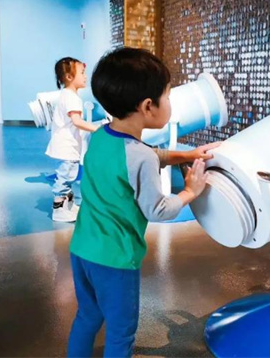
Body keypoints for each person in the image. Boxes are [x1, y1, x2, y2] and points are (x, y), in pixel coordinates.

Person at [67, 47, 219, 357]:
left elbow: (147, 155)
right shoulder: (140, 157)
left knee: (88, 317)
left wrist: (187, 155)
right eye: (168, 95)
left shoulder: (101, 136)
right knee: (121, 334)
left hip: (82, 249)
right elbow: (158, 209)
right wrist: (190, 191)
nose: (170, 103)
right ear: (148, 106)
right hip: (115, 260)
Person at [46, 57, 98, 222]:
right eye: (82, 73)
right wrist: (97, 129)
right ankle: (59, 210)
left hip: (66, 146)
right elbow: (77, 121)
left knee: (68, 176)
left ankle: (68, 205)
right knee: (65, 178)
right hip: (66, 147)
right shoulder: (72, 98)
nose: (85, 76)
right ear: (69, 77)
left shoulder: (67, 94)